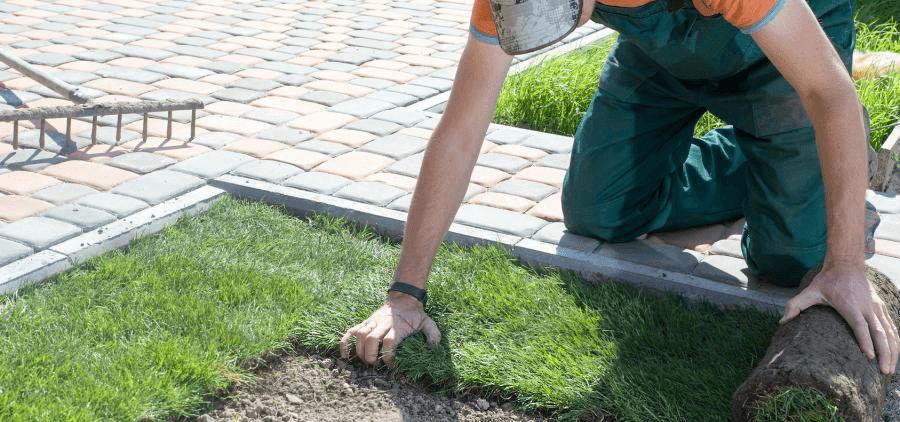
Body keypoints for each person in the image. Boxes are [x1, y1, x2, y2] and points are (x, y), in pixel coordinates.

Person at [341, 0, 900, 375]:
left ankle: (827, 172)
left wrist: (845, 264)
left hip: (788, 55)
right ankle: (782, 166)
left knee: (792, 258)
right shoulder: (509, 3)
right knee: (598, 211)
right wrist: (404, 295)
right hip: (663, 56)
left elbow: (829, 94)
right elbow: (461, 131)